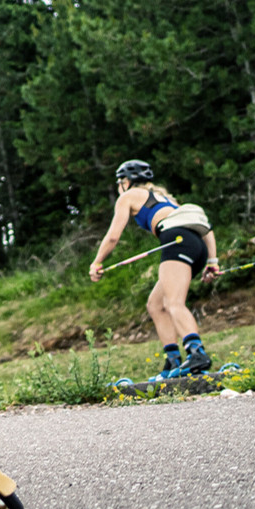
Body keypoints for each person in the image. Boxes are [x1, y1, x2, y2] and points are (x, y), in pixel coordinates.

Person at [88, 160, 219, 379]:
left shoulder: (128, 196)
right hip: (196, 246)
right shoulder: (168, 200)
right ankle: (173, 362)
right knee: (156, 304)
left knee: (173, 303)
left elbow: (113, 236)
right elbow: (207, 229)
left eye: (120, 183)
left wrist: (97, 262)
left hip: (177, 241)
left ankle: (197, 353)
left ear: (126, 182)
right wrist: (212, 261)